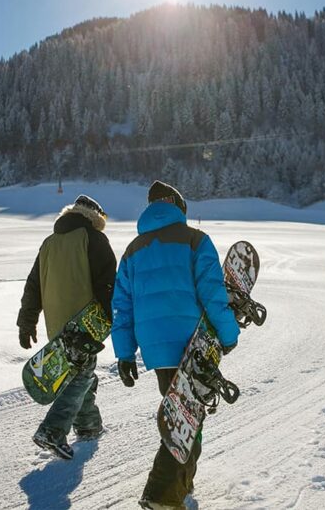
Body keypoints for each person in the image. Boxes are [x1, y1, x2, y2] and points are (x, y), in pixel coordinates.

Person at [111, 180, 240, 510]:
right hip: (192, 344)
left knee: (182, 413)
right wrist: (227, 336)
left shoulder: (133, 250)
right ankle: (161, 495)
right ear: (179, 207)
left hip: (157, 350)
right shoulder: (196, 240)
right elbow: (213, 294)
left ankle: (180, 485)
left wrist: (125, 353)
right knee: (186, 419)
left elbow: (121, 307)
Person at [16, 194, 117, 459]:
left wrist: (27, 321)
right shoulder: (93, 239)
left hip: (56, 324)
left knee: (78, 372)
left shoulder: (49, 243)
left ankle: (88, 426)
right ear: (94, 215)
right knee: (82, 373)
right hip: (84, 323)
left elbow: (34, 285)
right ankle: (52, 430)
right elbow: (108, 285)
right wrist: (114, 320)